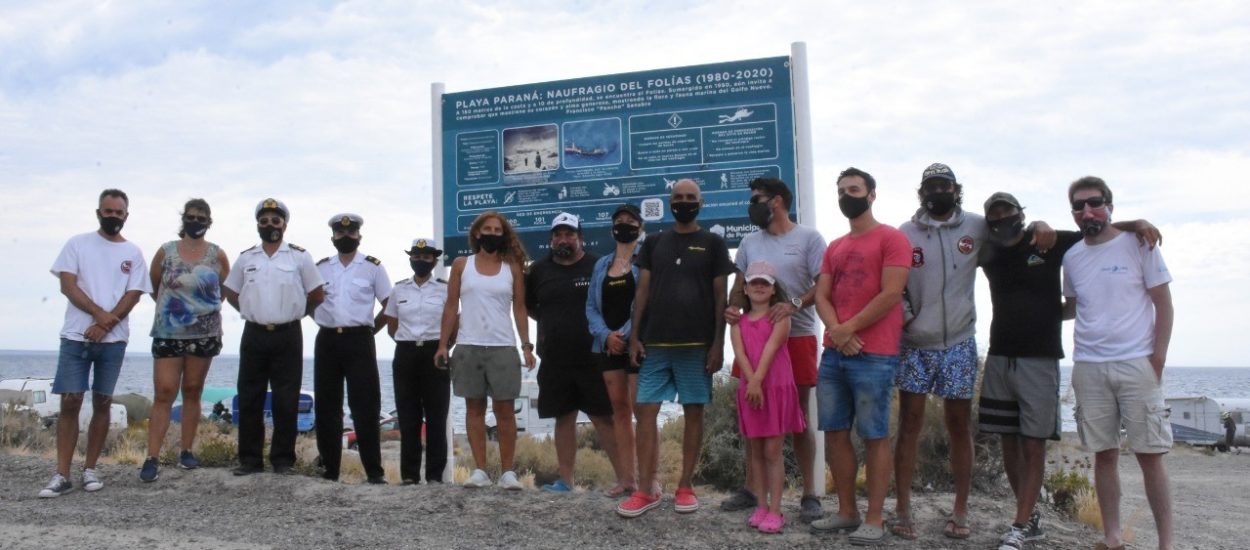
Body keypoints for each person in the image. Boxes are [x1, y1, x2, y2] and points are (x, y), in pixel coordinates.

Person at [980, 192, 1159, 549]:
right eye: (995, 215)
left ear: (1021, 213)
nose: (1003, 219)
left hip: (1041, 359)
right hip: (1000, 357)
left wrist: (1136, 224)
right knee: (1008, 442)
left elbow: (1096, 230)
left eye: (1009, 212)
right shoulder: (988, 251)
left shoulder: (1047, 240)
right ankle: (1028, 519)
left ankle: (1018, 525)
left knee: (1034, 444)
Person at [892, 162, 1055, 540]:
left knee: (959, 427)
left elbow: (1015, 236)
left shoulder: (977, 226)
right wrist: (908, 318)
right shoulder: (905, 232)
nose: (937, 192)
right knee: (909, 427)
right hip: (915, 345)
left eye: (944, 186)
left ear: (956, 189)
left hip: (960, 344)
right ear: (922, 193)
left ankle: (960, 510)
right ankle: (902, 509)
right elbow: (895, 281)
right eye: (930, 187)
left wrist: (1040, 224)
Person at [1062, 176, 1174, 550]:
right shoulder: (1072, 257)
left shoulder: (1139, 243)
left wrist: (1156, 360)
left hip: (1136, 364)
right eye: (1079, 206)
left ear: (1109, 204)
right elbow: (1074, 308)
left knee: (1150, 457)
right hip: (1089, 367)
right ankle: (1112, 538)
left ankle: (1166, 543)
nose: (1087, 211)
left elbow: (1164, 303)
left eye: (1094, 202)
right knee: (1104, 455)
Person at [617, 179, 734, 518]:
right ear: (670, 202)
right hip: (655, 343)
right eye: (678, 198)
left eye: (690, 198)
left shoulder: (713, 242)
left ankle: (685, 487)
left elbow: (720, 297)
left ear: (702, 201)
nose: (684, 202)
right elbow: (642, 293)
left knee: (694, 413)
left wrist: (718, 344)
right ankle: (646, 490)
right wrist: (635, 336)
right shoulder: (654, 242)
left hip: (697, 345)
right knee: (646, 411)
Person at [810, 168, 911, 545]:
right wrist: (838, 332)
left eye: (853, 189)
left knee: (874, 435)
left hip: (876, 354)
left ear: (871, 195)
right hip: (835, 355)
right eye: (841, 191)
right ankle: (847, 512)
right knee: (834, 433)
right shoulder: (834, 246)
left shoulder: (892, 238)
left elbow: (891, 293)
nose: (846, 195)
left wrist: (847, 329)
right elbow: (822, 295)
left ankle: (874, 518)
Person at [722, 177, 827, 522]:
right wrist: (732, 307)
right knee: (755, 412)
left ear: (777, 201)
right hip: (753, 337)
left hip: (797, 336)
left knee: (798, 416)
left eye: (757, 199)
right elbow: (740, 286)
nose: (752, 205)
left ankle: (810, 493)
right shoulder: (750, 241)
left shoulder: (809, 238)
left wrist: (794, 304)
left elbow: (822, 284)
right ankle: (753, 489)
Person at [40, 189, 151, 497]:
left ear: (126, 216)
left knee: (103, 403)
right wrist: (98, 314)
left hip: (113, 342)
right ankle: (61, 474)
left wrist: (106, 323)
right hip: (76, 336)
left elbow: (134, 294)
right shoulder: (77, 244)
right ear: (98, 212)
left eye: (118, 212)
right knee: (71, 401)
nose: (113, 216)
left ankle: (90, 469)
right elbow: (67, 284)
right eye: (108, 211)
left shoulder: (133, 252)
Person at [222, 198, 324, 476]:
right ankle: (250, 460)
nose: (270, 225)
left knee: (286, 399)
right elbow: (231, 291)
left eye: (275, 221)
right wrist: (249, 309)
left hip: (288, 334)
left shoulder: (300, 257)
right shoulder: (246, 258)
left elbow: (316, 293)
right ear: (258, 225)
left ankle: (282, 461)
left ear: (285, 225)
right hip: (254, 334)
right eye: (264, 221)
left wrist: (296, 314)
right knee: (250, 397)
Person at [434, 211, 535, 490]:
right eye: (487, 229)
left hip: (503, 346)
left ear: (503, 235)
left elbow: (520, 307)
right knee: (474, 408)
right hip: (469, 346)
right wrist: (443, 344)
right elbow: (452, 306)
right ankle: (480, 470)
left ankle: (507, 473)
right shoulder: (460, 265)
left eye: (497, 229)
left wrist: (526, 346)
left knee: (504, 411)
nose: (492, 233)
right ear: (477, 233)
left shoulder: (511, 266)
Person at [525, 213, 619, 492]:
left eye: (569, 234)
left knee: (604, 418)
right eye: (558, 235)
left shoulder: (598, 264)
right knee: (563, 417)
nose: (563, 239)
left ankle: (626, 479)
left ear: (581, 238)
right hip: (555, 358)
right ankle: (565, 481)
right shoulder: (539, 270)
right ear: (551, 239)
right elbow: (531, 307)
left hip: (594, 357)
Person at [140, 198, 230, 483]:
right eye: (191, 217)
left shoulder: (217, 255)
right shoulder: (166, 252)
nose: (196, 222)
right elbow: (155, 286)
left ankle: (186, 451)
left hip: (204, 333)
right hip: (169, 332)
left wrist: (201, 311)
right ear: (184, 219)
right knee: (164, 392)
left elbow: (223, 290)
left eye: (201, 217)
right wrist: (173, 308)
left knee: (192, 390)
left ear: (209, 221)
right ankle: (152, 457)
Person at [312, 213, 392, 484]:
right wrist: (324, 321)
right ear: (333, 237)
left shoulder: (373, 268)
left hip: (360, 340)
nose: (346, 237)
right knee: (327, 406)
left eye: (351, 233)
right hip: (327, 341)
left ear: (359, 236)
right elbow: (308, 301)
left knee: (366, 407)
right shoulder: (320, 267)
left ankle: (374, 472)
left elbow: (389, 305)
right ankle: (329, 469)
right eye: (340, 233)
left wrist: (370, 329)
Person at [730, 261, 806, 534]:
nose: (759, 286)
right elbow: (739, 353)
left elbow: (772, 349)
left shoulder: (781, 318)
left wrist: (757, 382)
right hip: (752, 390)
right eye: (754, 282)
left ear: (774, 289)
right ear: (745, 289)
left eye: (765, 282)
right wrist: (751, 383)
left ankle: (776, 510)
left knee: (773, 451)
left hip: (774, 387)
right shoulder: (737, 322)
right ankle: (761, 505)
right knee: (757, 453)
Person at [586, 203, 645, 497]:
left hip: (636, 344)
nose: (624, 224)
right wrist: (606, 335)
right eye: (619, 220)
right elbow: (591, 307)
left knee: (643, 412)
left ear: (640, 227)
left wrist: (623, 333)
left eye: (630, 220)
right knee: (619, 412)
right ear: (612, 228)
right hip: (606, 347)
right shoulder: (601, 264)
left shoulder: (644, 261)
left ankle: (650, 480)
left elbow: (645, 302)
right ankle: (626, 479)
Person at [384, 238, 451, 484]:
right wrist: (408, 343)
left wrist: (443, 347)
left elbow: (451, 324)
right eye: (416, 256)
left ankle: (435, 476)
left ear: (434, 259)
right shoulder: (399, 289)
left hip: (436, 353)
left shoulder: (444, 289)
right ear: (410, 258)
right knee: (408, 417)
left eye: (426, 256)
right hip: (406, 353)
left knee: (436, 417)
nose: (420, 261)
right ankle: (410, 476)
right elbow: (392, 326)